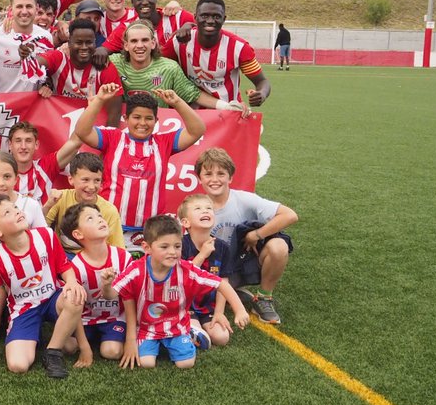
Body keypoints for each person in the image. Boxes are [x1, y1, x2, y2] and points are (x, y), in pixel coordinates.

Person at [0, 195, 86, 379]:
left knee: (74, 296)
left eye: (14, 207)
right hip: (24, 310)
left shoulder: (46, 236)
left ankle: (52, 352)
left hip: (53, 300)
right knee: (18, 365)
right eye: (7, 212)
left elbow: (65, 267)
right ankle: (45, 338)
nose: (17, 212)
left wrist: (71, 281)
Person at [112, 214, 244, 370]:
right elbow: (113, 294)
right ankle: (156, 343)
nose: (172, 252)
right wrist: (107, 284)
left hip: (177, 327)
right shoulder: (136, 269)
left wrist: (239, 310)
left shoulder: (186, 270)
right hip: (147, 328)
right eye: (164, 246)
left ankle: (190, 331)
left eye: (177, 246)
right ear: (147, 248)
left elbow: (221, 283)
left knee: (185, 364)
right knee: (146, 363)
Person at [74, 88, 205, 244]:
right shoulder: (113, 137)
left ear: (156, 121)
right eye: (136, 117)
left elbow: (197, 130)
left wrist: (177, 103)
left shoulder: (164, 142)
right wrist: (99, 100)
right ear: (126, 118)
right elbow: (82, 131)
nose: (142, 123)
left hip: (151, 231)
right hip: (109, 226)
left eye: (148, 118)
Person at [195, 146, 298, 325]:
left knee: (279, 246)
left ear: (230, 177)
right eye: (208, 174)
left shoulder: (243, 199)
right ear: (199, 178)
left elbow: (289, 215)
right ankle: (231, 291)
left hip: (243, 263)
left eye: (221, 174)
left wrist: (257, 234)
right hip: (215, 270)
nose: (214, 179)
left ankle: (264, 298)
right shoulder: (195, 206)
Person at [60, 201, 133, 363]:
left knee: (112, 352)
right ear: (78, 234)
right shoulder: (76, 266)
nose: (100, 220)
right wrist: (84, 346)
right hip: (86, 319)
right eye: (90, 219)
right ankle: (89, 339)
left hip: (114, 318)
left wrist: (130, 340)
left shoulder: (122, 257)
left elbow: (129, 298)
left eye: (99, 216)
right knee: (67, 347)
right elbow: (75, 308)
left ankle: (112, 336)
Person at [177, 194, 251, 347]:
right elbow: (181, 278)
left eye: (209, 208)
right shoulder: (180, 245)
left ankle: (192, 330)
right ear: (185, 222)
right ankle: (189, 327)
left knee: (221, 337)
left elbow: (223, 281)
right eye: (198, 208)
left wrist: (219, 312)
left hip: (207, 306)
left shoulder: (222, 247)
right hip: (184, 305)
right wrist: (203, 254)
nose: (205, 211)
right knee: (198, 333)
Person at [174, 0, 271, 107]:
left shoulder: (239, 48)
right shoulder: (178, 41)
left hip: (228, 112)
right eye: (204, 16)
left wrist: (261, 93)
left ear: (224, 19)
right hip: (189, 113)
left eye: (216, 16)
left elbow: (262, 81)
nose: (210, 21)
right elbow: (157, 63)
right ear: (195, 17)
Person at [44, 153, 125, 254]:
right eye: (85, 180)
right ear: (71, 179)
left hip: (96, 258)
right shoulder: (61, 198)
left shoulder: (110, 210)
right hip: (64, 257)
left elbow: (119, 250)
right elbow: (40, 228)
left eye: (97, 180)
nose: (91, 186)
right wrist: (48, 205)